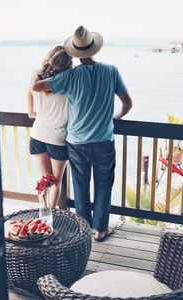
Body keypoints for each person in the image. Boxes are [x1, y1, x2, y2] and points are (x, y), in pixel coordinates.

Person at [31, 26, 133, 241]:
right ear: (94, 49)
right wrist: (116, 116)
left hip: (76, 142)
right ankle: (101, 230)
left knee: (81, 185)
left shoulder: (70, 76)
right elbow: (127, 104)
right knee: (104, 185)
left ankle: (83, 229)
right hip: (104, 140)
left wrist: (42, 77)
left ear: (76, 53)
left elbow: (38, 86)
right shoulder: (111, 71)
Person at [27, 46, 72, 208]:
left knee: (44, 179)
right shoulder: (68, 81)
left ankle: (43, 213)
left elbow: (29, 98)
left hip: (38, 134)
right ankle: (50, 216)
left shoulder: (36, 76)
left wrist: (32, 111)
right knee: (55, 182)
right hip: (57, 138)